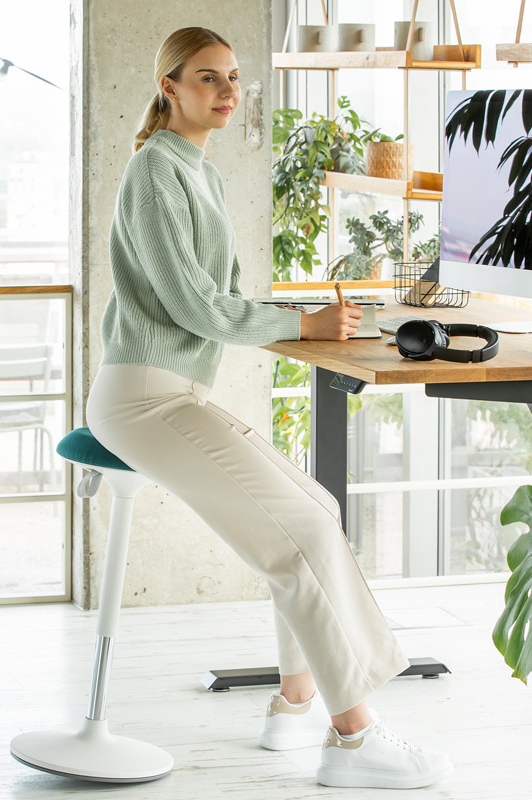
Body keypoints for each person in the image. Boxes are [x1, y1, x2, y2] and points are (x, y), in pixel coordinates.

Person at [86, 26, 453, 790]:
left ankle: (294, 703)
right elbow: (195, 306)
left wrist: (307, 315)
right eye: (208, 78)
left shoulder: (198, 170)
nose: (227, 92)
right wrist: (301, 323)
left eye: (234, 78)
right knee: (306, 531)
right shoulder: (156, 172)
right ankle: (352, 741)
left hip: (173, 392)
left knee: (313, 507)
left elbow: (211, 299)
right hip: (141, 400)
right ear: (170, 89)